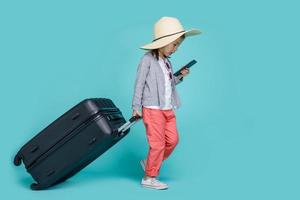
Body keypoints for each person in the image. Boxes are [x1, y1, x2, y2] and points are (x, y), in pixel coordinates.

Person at [132, 16, 201, 190]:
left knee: (173, 140)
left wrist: (179, 76)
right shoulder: (147, 60)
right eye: (174, 44)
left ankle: (149, 163)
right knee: (157, 144)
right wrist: (136, 108)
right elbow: (139, 84)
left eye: (178, 45)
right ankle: (149, 177)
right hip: (152, 109)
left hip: (167, 109)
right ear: (163, 41)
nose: (176, 49)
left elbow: (168, 85)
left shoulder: (167, 63)